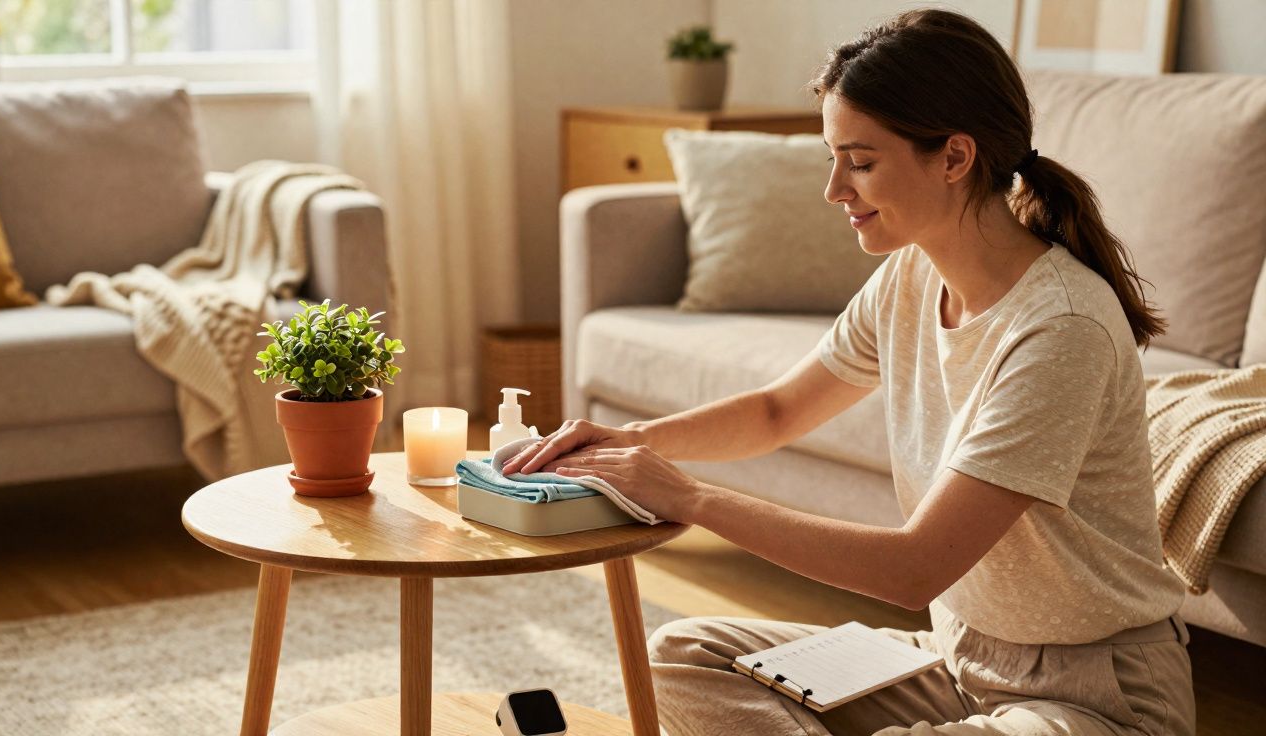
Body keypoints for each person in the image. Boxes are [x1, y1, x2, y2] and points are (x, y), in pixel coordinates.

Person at [502, 8, 1194, 735]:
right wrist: (624, 443)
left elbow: (913, 569)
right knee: (681, 655)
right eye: (833, 158)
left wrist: (688, 498)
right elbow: (776, 412)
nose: (835, 189)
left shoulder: (1062, 328)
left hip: (1093, 698)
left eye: (860, 162)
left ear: (955, 158)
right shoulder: (912, 277)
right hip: (953, 664)